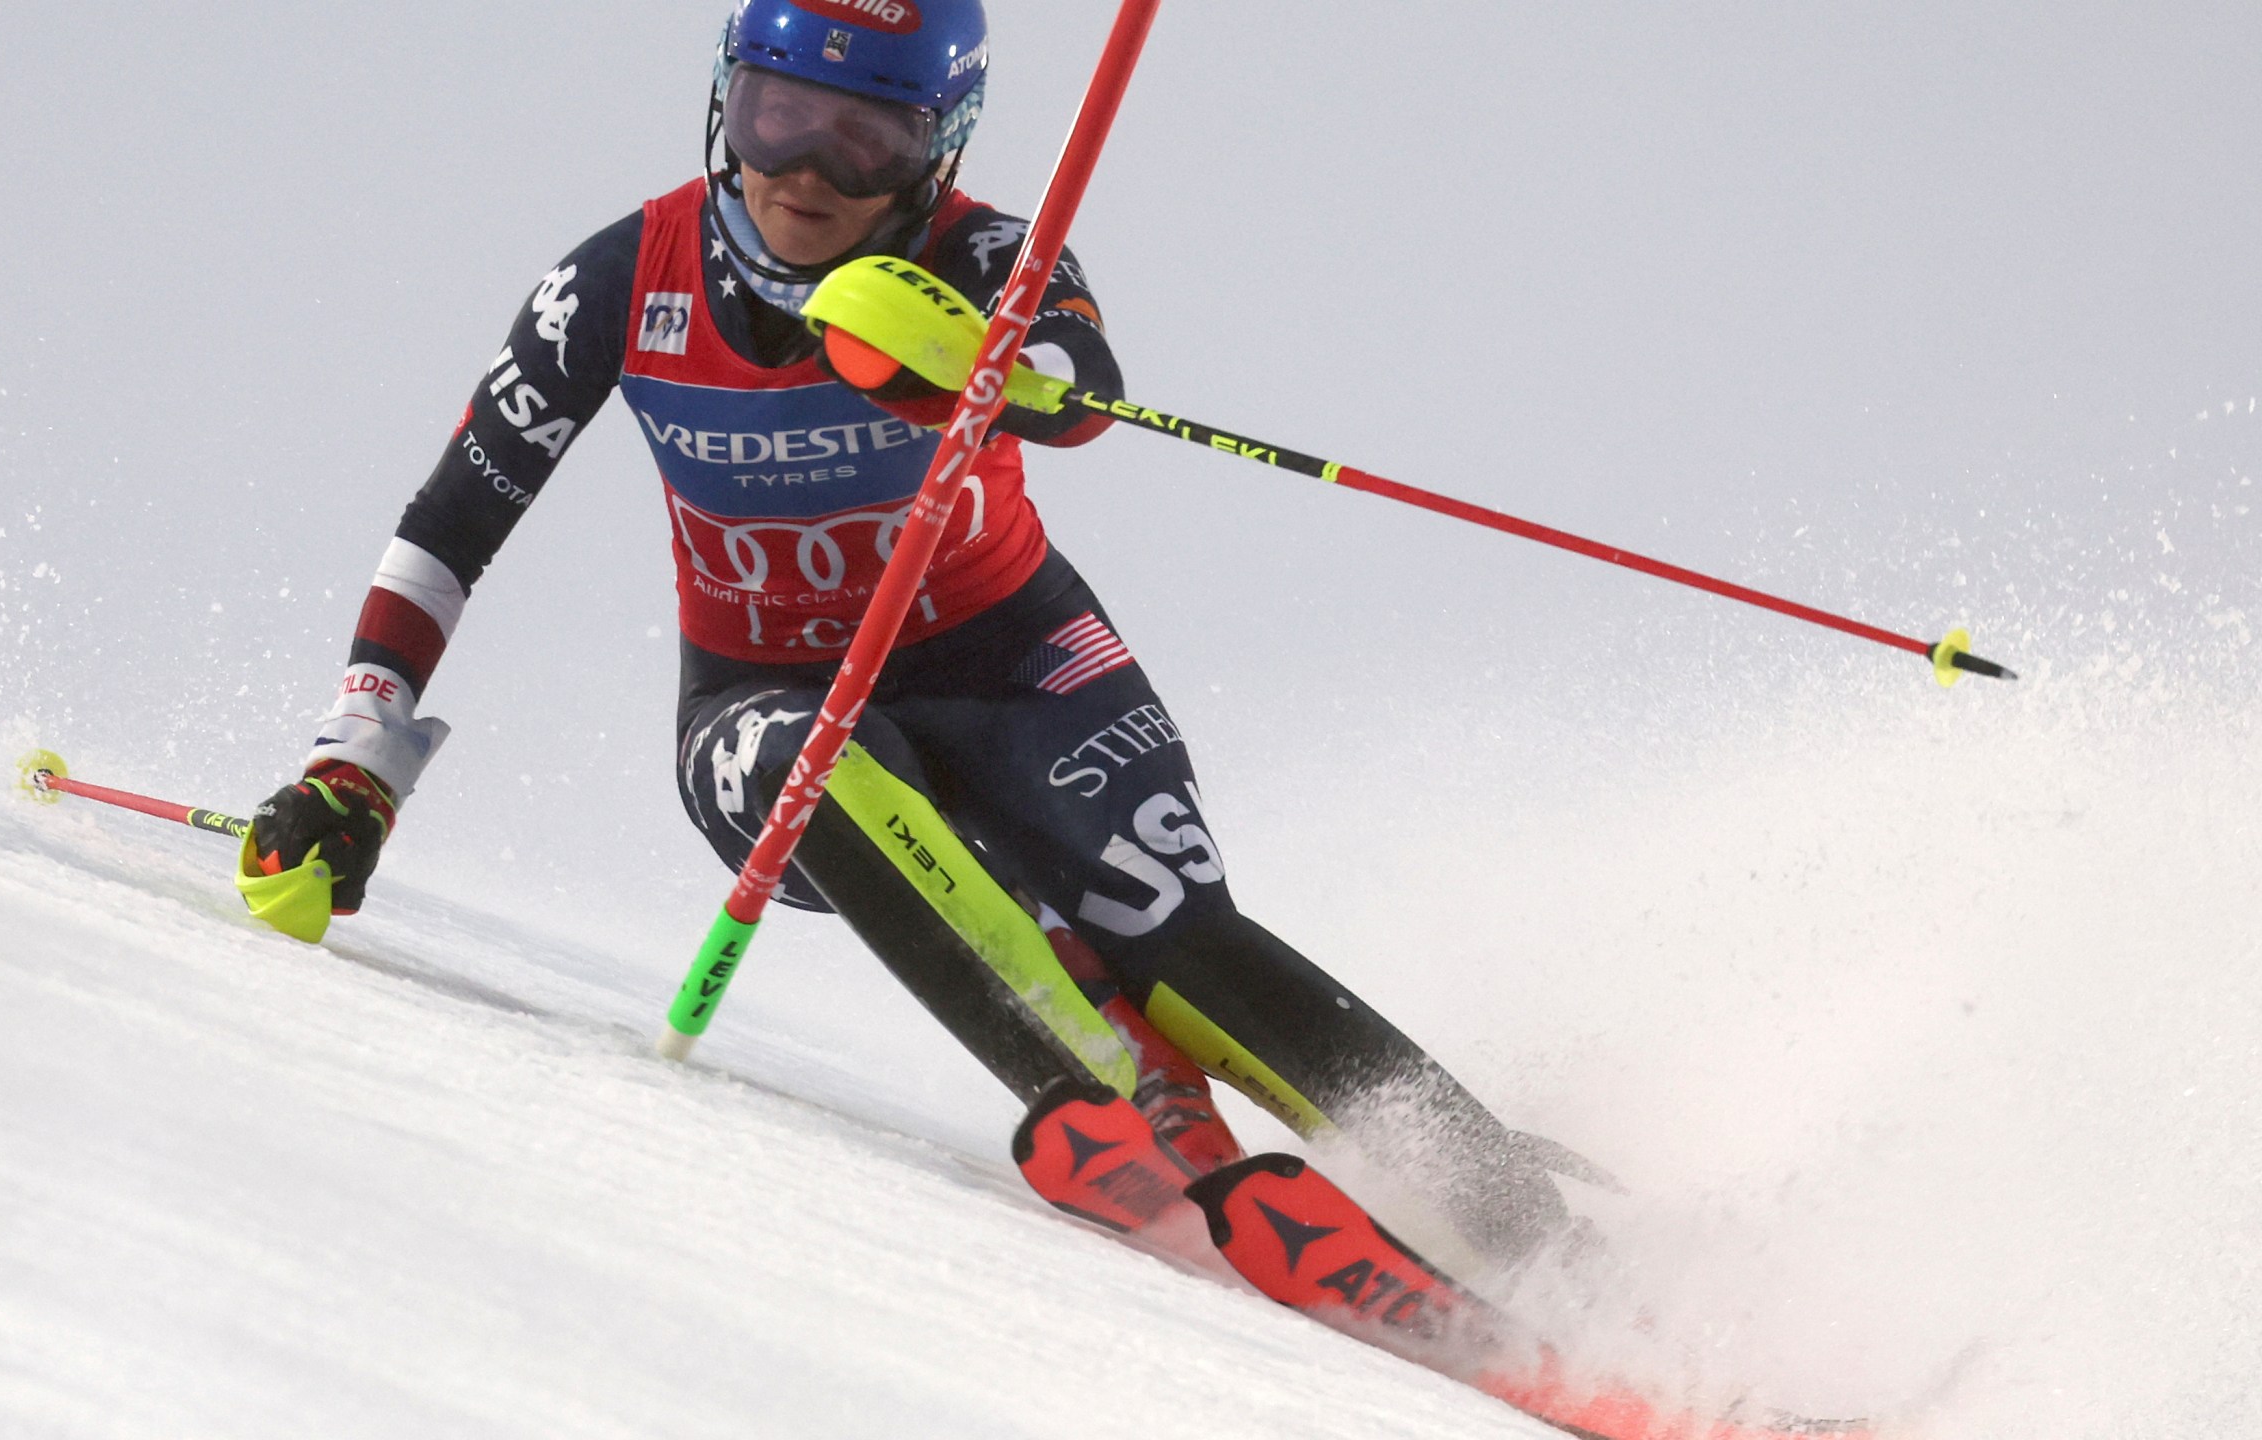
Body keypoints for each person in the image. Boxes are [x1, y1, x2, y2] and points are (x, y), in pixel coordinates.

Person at [242, 0, 1578, 1271]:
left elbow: (1081, 391)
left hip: (1015, 658)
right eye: (776, 118)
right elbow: (453, 521)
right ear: (724, 102)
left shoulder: (989, 257)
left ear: (938, 147)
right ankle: (1095, 1084)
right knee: (811, 763)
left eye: (865, 137)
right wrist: (357, 762)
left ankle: (1528, 1224)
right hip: (764, 691)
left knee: (1160, 919)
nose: (808, 172)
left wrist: (978, 371)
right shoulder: (620, 282)